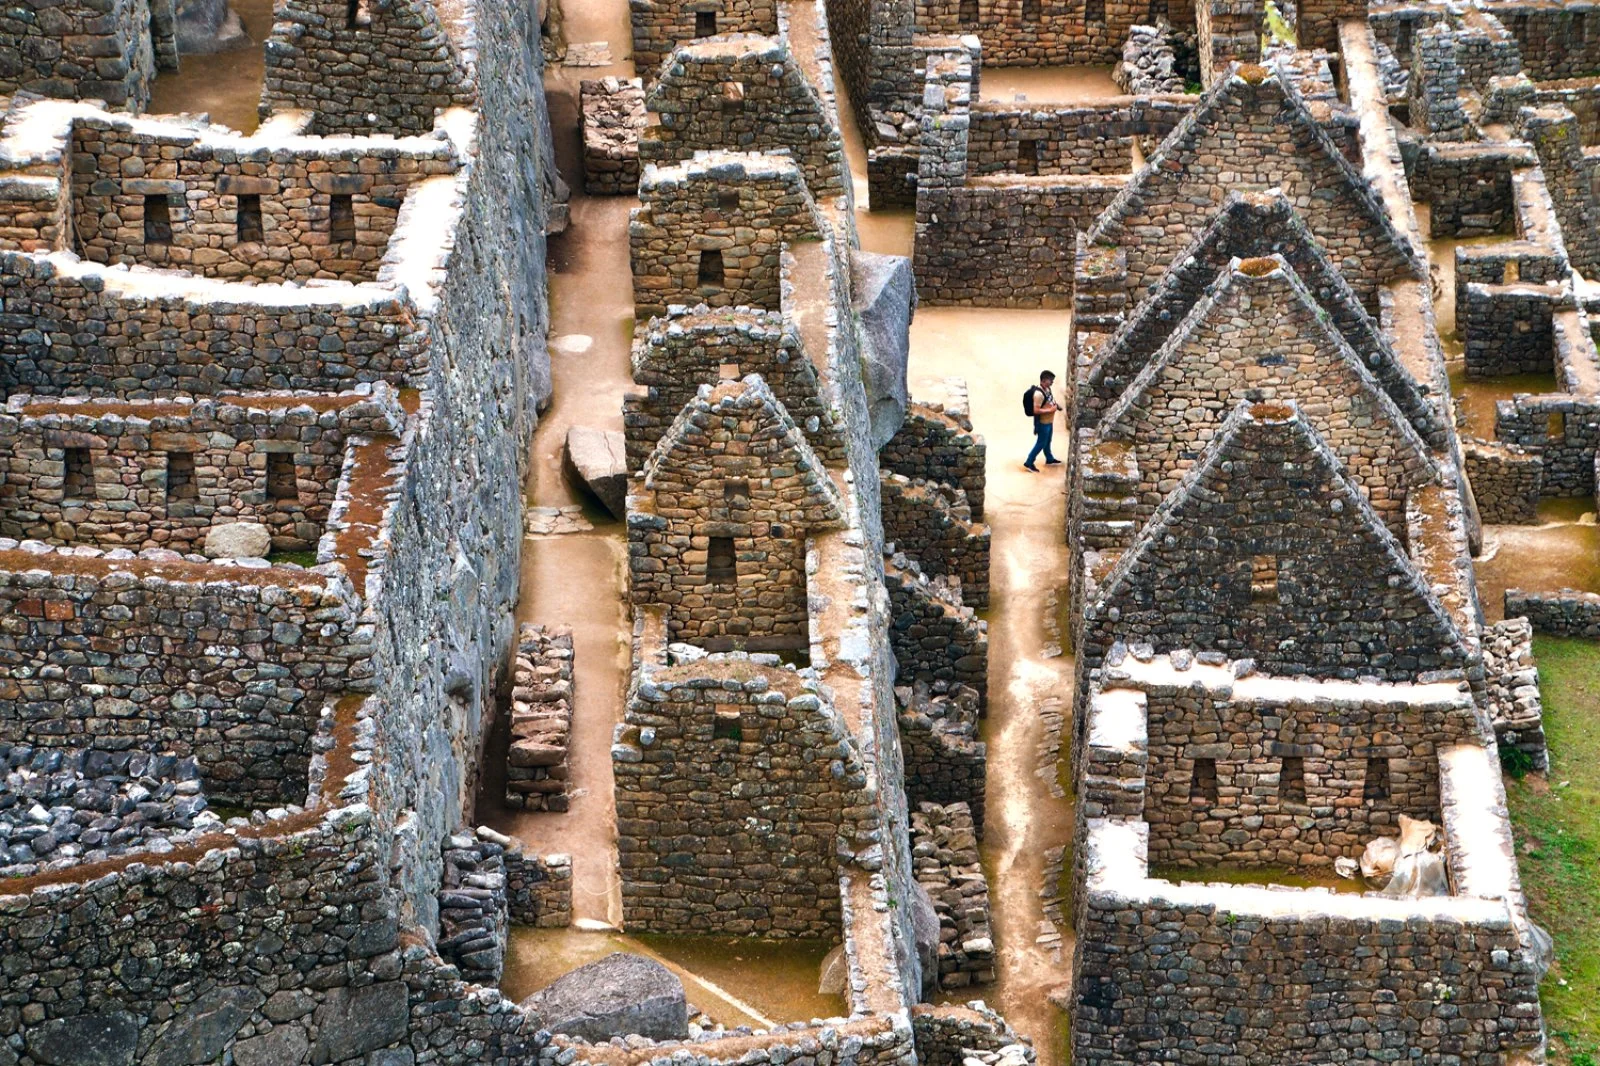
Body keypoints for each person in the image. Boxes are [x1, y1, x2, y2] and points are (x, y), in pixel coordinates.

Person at [1023, 370, 1060, 472]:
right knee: (1041, 443)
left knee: (1047, 441)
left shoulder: (1047, 389)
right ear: (1043, 380)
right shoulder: (1038, 394)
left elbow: (1049, 400)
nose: (1052, 382)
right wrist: (1051, 410)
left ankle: (1049, 458)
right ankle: (1029, 462)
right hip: (1043, 423)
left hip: (1049, 422)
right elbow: (1036, 410)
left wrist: (1056, 406)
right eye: (1050, 380)